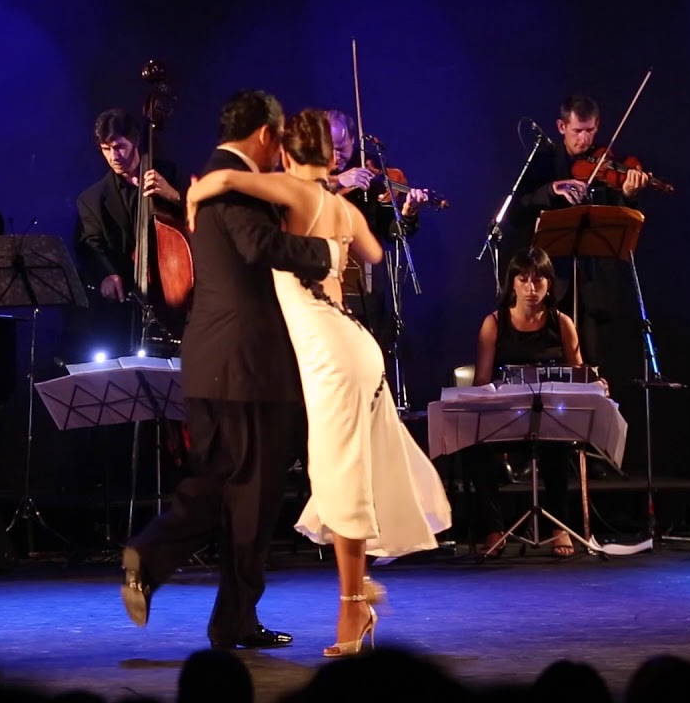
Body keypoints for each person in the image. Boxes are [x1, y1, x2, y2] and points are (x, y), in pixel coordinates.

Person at [185, 109, 451, 657]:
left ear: (286, 153)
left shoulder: (292, 192)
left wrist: (194, 192)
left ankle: (354, 609)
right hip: (356, 347)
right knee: (349, 474)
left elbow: (231, 179)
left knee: (340, 481)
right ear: (333, 158)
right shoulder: (342, 207)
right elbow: (375, 252)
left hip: (332, 356)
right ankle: (360, 593)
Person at [119, 90, 339, 652]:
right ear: (265, 135)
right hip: (249, 368)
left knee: (222, 484)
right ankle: (213, 602)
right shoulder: (230, 182)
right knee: (254, 496)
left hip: (216, 363)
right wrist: (329, 254)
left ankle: (194, 588)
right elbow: (259, 245)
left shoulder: (215, 180)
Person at [470, 246, 606, 557]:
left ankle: (559, 526)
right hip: (505, 418)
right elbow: (482, 381)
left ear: (549, 285)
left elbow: (578, 373)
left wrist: (595, 383)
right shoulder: (494, 323)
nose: (532, 288)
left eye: (539, 280)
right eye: (524, 280)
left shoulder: (562, 323)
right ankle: (494, 529)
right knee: (477, 451)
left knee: (556, 445)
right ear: (513, 284)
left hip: (549, 418)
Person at [501, 94, 651, 368]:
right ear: (561, 127)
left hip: (593, 285)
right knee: (554, 364)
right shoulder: (543, 162)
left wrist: (628, 195)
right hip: (553, 284)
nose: (584, 140)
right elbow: (516, 211)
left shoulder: (607, 163)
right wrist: (550, 189)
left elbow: (620, 216)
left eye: (590, 130)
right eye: (577, 131)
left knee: (592, 366)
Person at [72, 108, 186, 357]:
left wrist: (175, 196)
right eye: (105, 148)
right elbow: (91, 244)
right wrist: (107, 274)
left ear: (135, 141)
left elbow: (205, 217)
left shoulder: (170, 174)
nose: (113, 156)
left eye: (119, 146)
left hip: (176, 301)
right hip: (125, 307)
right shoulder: (92, 199)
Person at [324, 109, 433, 349]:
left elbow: (392, 233)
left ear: (353, 140)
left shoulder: (373, 175)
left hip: (366, 290)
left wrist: (409, 211)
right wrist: (339, 180)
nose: (335, 155)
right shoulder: (313, 176)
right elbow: (302, 197)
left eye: (341, 147)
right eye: (329, 147)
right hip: (323, 290)